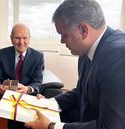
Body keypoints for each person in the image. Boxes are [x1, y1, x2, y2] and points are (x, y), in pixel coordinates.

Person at [25, 0, 125, 129]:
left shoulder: (119, 55)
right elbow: (82, 91)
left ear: (83, 30)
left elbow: (110, 126)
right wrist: (49, 103)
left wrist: (52, 126)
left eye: (64, 35)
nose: (61, 41)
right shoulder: (86, 50)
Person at [0, 23, 44, 128]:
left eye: (25, 38)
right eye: (17, 38)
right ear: (11, 39)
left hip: (25, 92)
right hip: (6, 92)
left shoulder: (37, 56)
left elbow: (37, 81)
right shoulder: (2, 54)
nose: (21, 42)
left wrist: (27, 89)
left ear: (29, 39)